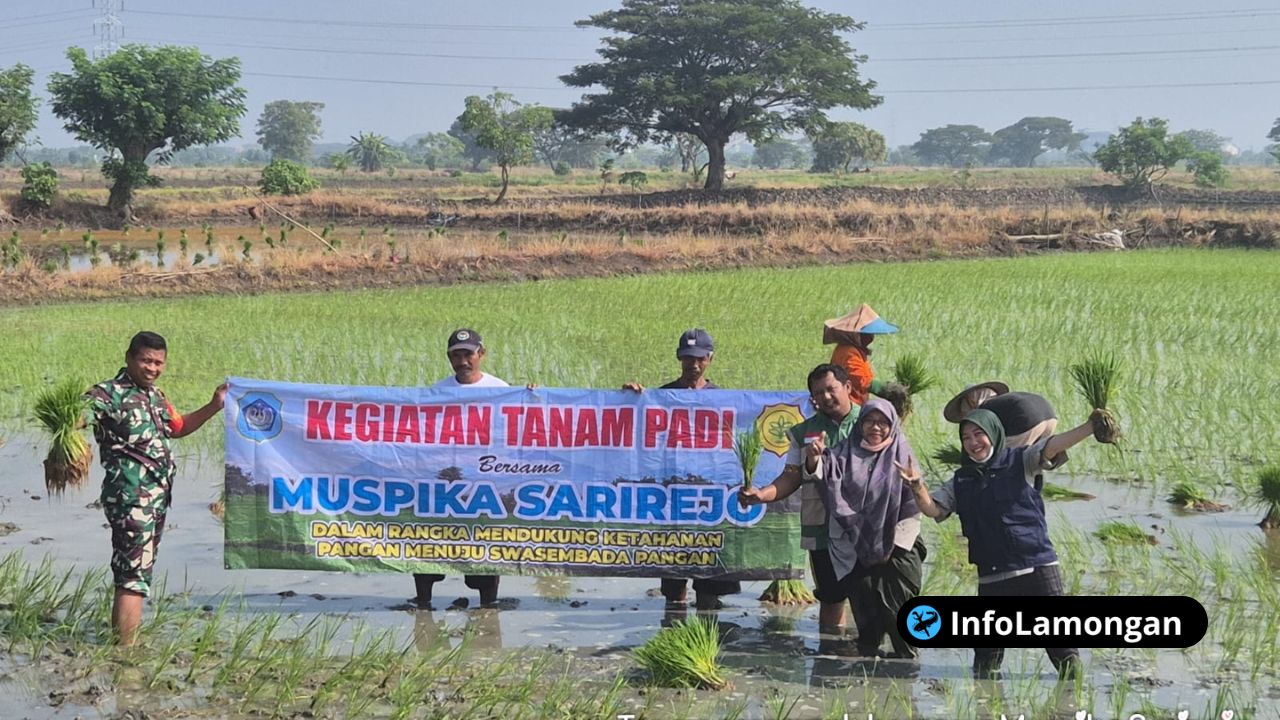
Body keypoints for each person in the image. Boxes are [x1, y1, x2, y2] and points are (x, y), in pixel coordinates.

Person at [901, 408, 1112, 678]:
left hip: (1036, 568)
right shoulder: (961, 479)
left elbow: (1051, 446)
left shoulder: (1021, 460)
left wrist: (1089, 427)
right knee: (986, 661)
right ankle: (986, 705)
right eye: (966, 438)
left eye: (979, 434)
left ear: (994, 434)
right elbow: (934, 510)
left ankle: (1073, 703)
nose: (973, 442)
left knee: (1063, 652)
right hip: (992, 575)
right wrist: (918, 486)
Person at [742, 397, 925, 659]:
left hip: (897, 547)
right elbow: (823, 471)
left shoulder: (902, 454)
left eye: (883, 423)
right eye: (870, 422)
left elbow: (913, 505)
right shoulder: (846, 452)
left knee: (898, 609)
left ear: (892, 426)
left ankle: (907, 666)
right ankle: (868, 667)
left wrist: (896, 545)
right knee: (866, 609)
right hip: (857, 543)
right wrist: (814, 458)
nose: (876, 428)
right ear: (860, 425)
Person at [87, 331, 227, 645]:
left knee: (138, 572)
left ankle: (122, 646)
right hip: (130, 497)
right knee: (133, 577)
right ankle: (126, 653)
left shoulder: (155, 396)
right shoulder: (108, 394)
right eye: (146, 360)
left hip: (156, 498)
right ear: (129, 358)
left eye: (158, 362)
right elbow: (74, 417)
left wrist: (214, 405)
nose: (153, 368)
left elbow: (178, 428)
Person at [622, 328, 740, 610]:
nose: (693, 365)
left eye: (699, 358)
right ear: (679, 358)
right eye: (688, 358)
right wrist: (628, 400)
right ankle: (673, 637)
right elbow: (636, 433)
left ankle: (706, 641)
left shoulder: (725, 399)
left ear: (710, 358)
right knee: (674, 586)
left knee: (709, 588)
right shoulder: (662, 396)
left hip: (709, 499)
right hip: (671, 500)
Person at [412, 328, 507, 608]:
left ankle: (488, 606)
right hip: (445, 477)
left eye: (468, 354)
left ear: (482, 354)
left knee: (485, 543)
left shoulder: (501, 390)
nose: (463, 361)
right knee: (428, 542)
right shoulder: (437, 392)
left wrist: (535, 397)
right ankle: (423, 602)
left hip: (485, 479)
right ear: (449, 358)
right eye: (456, 355)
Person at [822, 304, 901, 407]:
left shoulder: (851, 349)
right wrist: (884, 389)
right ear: (855, 335)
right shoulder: (849, 351)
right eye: (867, 334)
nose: (871, 337)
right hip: (849, 405)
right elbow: (860, 378)